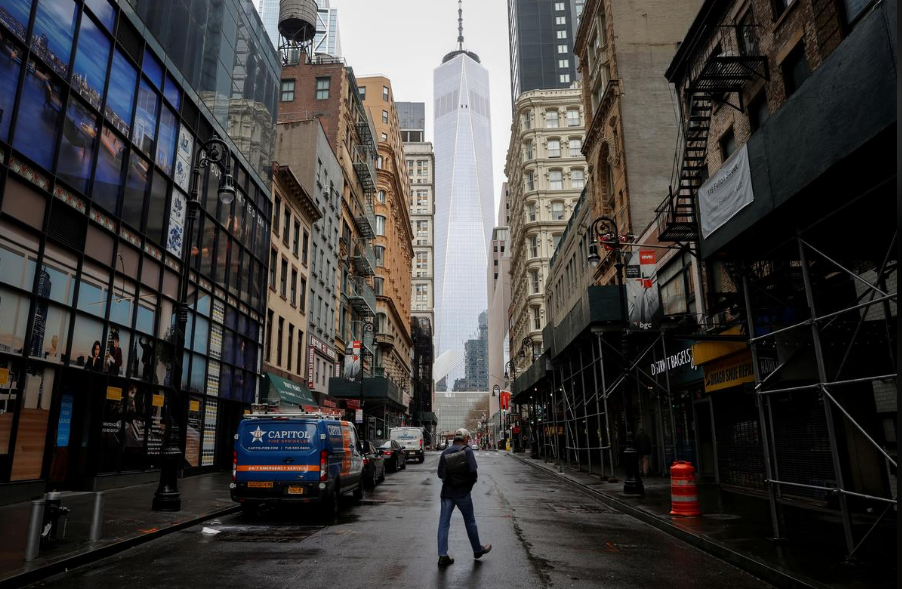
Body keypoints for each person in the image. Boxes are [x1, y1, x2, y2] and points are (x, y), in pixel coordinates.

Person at [436, 428, 491, 566]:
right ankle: (477, 550)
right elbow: (473, 471)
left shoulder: (445, 452)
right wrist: (467, 485)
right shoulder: (467, 451)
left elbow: (440, 474)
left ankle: (443, 556)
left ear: (454, 438)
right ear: (465, 438)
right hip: (463, 494)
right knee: (470, 521)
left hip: (447, 494)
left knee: (443, 523)